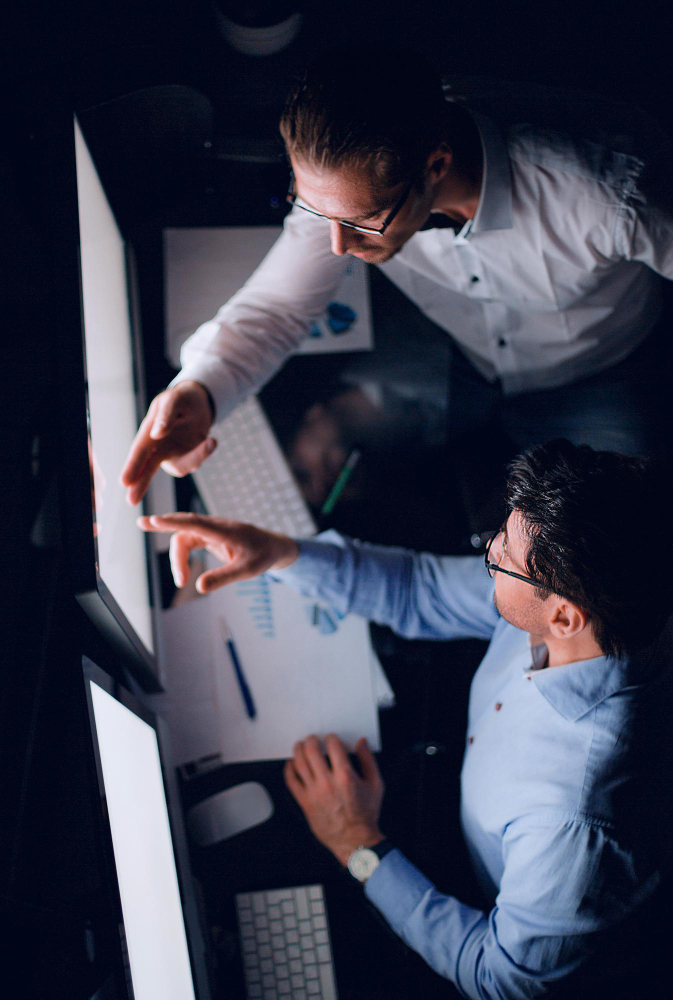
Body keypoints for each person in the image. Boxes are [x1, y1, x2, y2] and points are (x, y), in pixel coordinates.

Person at [139, 439, 673, 997]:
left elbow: (499, 978)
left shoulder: (576, 826)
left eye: (502, 558)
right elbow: (419, 588)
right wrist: (279, 554)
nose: (488, 551)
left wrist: (358, 845)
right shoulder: (599, 605)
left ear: (564, 617)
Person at [121, 51, 673, 506]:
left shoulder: (611, 192)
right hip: (457, 352)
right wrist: (201, 389)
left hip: (599, 373)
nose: (337, 247)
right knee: (319, 465)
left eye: (360, 224)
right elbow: (279, 308)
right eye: (315, 213)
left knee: (607, 540)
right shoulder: (349, 183)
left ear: (435, 165)